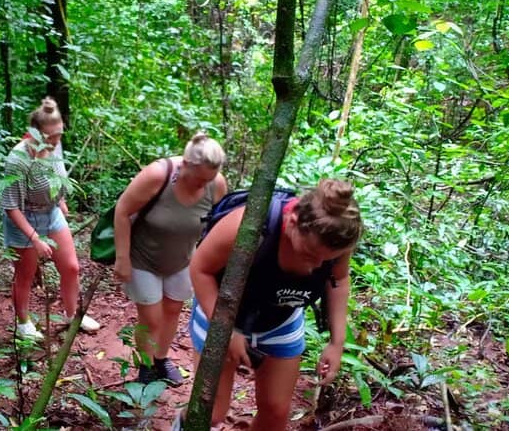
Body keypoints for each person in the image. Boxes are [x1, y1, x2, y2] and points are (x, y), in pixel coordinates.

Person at [182, 179, 362, 429]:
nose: (315, 267)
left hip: (280, 320)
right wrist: (226, 329)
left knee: (276, 412)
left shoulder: (334, 242)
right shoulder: (248, 226)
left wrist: (337, 343)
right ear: (292, 222)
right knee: (211, 412)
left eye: (326, 260)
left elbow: (339, 281)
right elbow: (200, 269)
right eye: (310, 255)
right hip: (219, 311)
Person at [113, 133, 228, 385]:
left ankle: (161, 359)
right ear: (185, 164)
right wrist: (122, 257)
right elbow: (123, 210)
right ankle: (145, 366)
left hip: (185, 258)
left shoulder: (217, 184)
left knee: (173, 309)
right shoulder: (157, 176)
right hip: (143, 258)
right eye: (198, 179)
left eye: (207, 181)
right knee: (151, 317)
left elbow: (219, 224)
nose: (202, 185)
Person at [0, 96, 99, 340]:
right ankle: (23, 323)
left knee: (72, 267)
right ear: (33, 133)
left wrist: (60, 200)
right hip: (23, 218)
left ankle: (71, 314)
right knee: (25, 274)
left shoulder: (55, 144)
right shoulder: (18, 160)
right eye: (50, 136)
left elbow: (57, 173)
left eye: (59, 135)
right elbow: (11, 207)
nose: (56, 141)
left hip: (51, 212)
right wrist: (35, 239)